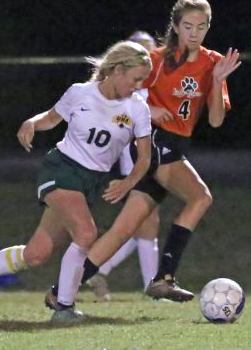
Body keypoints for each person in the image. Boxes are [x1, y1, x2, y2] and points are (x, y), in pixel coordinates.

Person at [0, 41, 154, 324]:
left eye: (143, 80)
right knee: (86, 234)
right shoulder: (80, 93)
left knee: (36, 255)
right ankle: (64, 307)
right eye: (136, 78)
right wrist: (32, 123)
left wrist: (127, 183)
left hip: (92, 182)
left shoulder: (138, 108)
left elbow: (145, 159)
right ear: (116, 70)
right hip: (61, 170)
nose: (138, 86)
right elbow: (51, 119)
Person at [44, 0, 241, 307]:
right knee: (200, 196)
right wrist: (149, 108)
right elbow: (120, 92)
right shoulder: (157, 59)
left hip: (175, 146)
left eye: (201, 27)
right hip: (155, 144)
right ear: (175, 26)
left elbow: (216, 120)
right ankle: (164, 278)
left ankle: (60, 292)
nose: (194, 32)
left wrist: (217, 82)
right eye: (187, 25)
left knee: (123, 230)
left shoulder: (212, 63)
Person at [86, 30, 162, 301]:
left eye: (151, 51)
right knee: (147, 222)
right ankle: (153, 288)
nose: (147, 55)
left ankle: (96, 269)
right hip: (132, 168)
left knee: (139, 227)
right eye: (141, 50)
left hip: (151, 166)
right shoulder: (126, 90)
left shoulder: (150, 87)